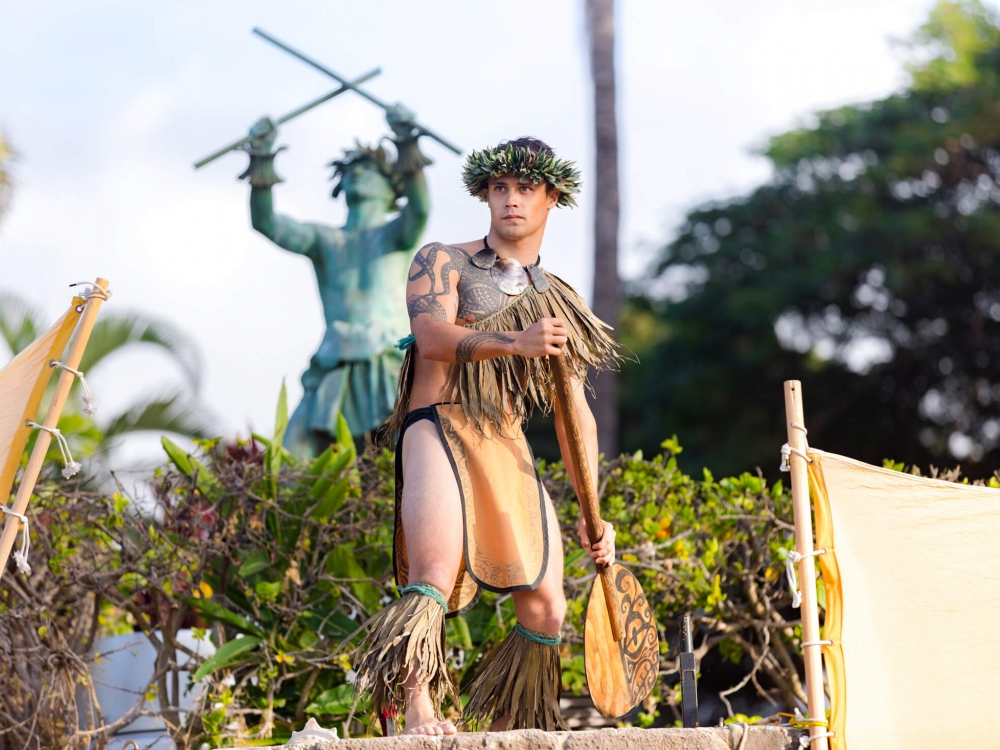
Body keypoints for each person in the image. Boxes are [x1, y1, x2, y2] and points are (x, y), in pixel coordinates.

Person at [353, 137, 621, 735]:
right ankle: (418, 706)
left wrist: (592, 513)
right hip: (437, 426)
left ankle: (506, 730)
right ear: (485, 195)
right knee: (434, 571)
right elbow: (431, 337)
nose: (511, 200)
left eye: (526, 189)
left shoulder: (558, 301)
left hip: (505, 447)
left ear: (552, 197)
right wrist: (514, 342)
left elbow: (574, 414)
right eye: (500, 188)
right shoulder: (441, 260)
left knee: (548, 604)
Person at [240, 105, 430, 458]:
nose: (358, 175)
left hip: (386, 360)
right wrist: (262, 156)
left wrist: (406, 140)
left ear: (392, 188)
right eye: (352, 171)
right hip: (335, 362)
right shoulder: (324, 240)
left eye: (369, 170)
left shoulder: (395, 235)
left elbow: (420, 209)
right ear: (340, 184)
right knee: (292, 460)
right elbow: (266, 221)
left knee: (414, 453)